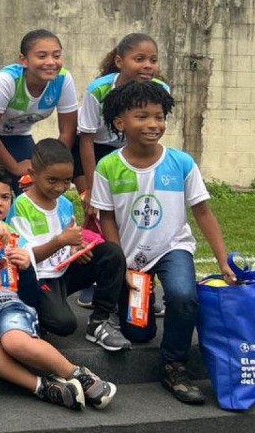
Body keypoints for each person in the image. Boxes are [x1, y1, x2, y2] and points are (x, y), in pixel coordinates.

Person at [92, 81, 235, 405]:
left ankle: (175, 367)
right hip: (132, 259)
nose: (153, 124)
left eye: (159, 116)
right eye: (142, 116)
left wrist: (223, 261)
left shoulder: (181, 163)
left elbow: (203, 213)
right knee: (139, 334)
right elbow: (108, 218)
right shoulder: (108, 167)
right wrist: (120, 262)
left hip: (173, 247)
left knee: (184, 295)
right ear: (120, 122)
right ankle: (138, 300)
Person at [0, 162, 117, 411]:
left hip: (12, 305)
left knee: (15, 342)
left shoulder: (17, 236)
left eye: (4, 197)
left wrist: (26, 269)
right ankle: (42, 386)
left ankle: (79, 374)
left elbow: (30, 295)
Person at [73, 33, 167, 311]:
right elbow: (86, 139)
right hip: (96, 153)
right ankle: (93, 284)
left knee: (133, 215)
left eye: (153, 60)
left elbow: (155, 130)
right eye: (139, 59)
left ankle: (142, 284)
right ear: (119, 61)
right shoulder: (99, 89)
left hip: (133, 151)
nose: (148, 65)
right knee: (96, 216)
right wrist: (91, 189)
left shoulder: (161, 89)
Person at [9, 140, 129, 350]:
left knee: (112, 253)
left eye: (66, 181)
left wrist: (77, 250)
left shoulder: (65, 204)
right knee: (63, 324)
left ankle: (100, 322)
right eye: (52, 180)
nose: (60, 187)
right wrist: (60, 241)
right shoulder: (22, 206)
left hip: (62, 272)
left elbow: (70, 242)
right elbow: (26, 259)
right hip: (37, 278)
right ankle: (30, 309)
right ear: (33, 173)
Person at [0, 29, 77, 191]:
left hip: (18, 134)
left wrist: (51, 165)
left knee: (32, 189)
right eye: (42, 56)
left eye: (56, 56)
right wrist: (14, 167)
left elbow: (67, 132)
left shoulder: (63, 80)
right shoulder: (7, 81)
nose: (51, 62)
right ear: (24, 60)